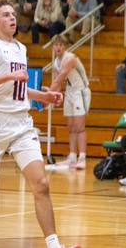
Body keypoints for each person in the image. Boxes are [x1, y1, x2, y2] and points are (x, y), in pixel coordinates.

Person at [0, 0, 75, 248]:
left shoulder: (21, 49)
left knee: (41, 184)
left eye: (13, 14)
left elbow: (19, 89)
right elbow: (10, 81)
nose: (12, 18)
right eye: (6, 15)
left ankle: (54, 245)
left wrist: (44, 96)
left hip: (21, 123)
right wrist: (9, 76)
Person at [49, 35, 91, 169]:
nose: (58, 47)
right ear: (52, 47)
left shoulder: (70, 58)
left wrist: (46, 95)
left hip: (80, 91)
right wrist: (54, 97)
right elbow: (57, 84)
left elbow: (60, 78)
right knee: (71, 127)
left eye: (61, 45)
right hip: (70, 92)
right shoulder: (56, 62)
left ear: (65, 46)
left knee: (80, 127)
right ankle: (72, 157)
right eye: (56, 45)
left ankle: (82, 158)